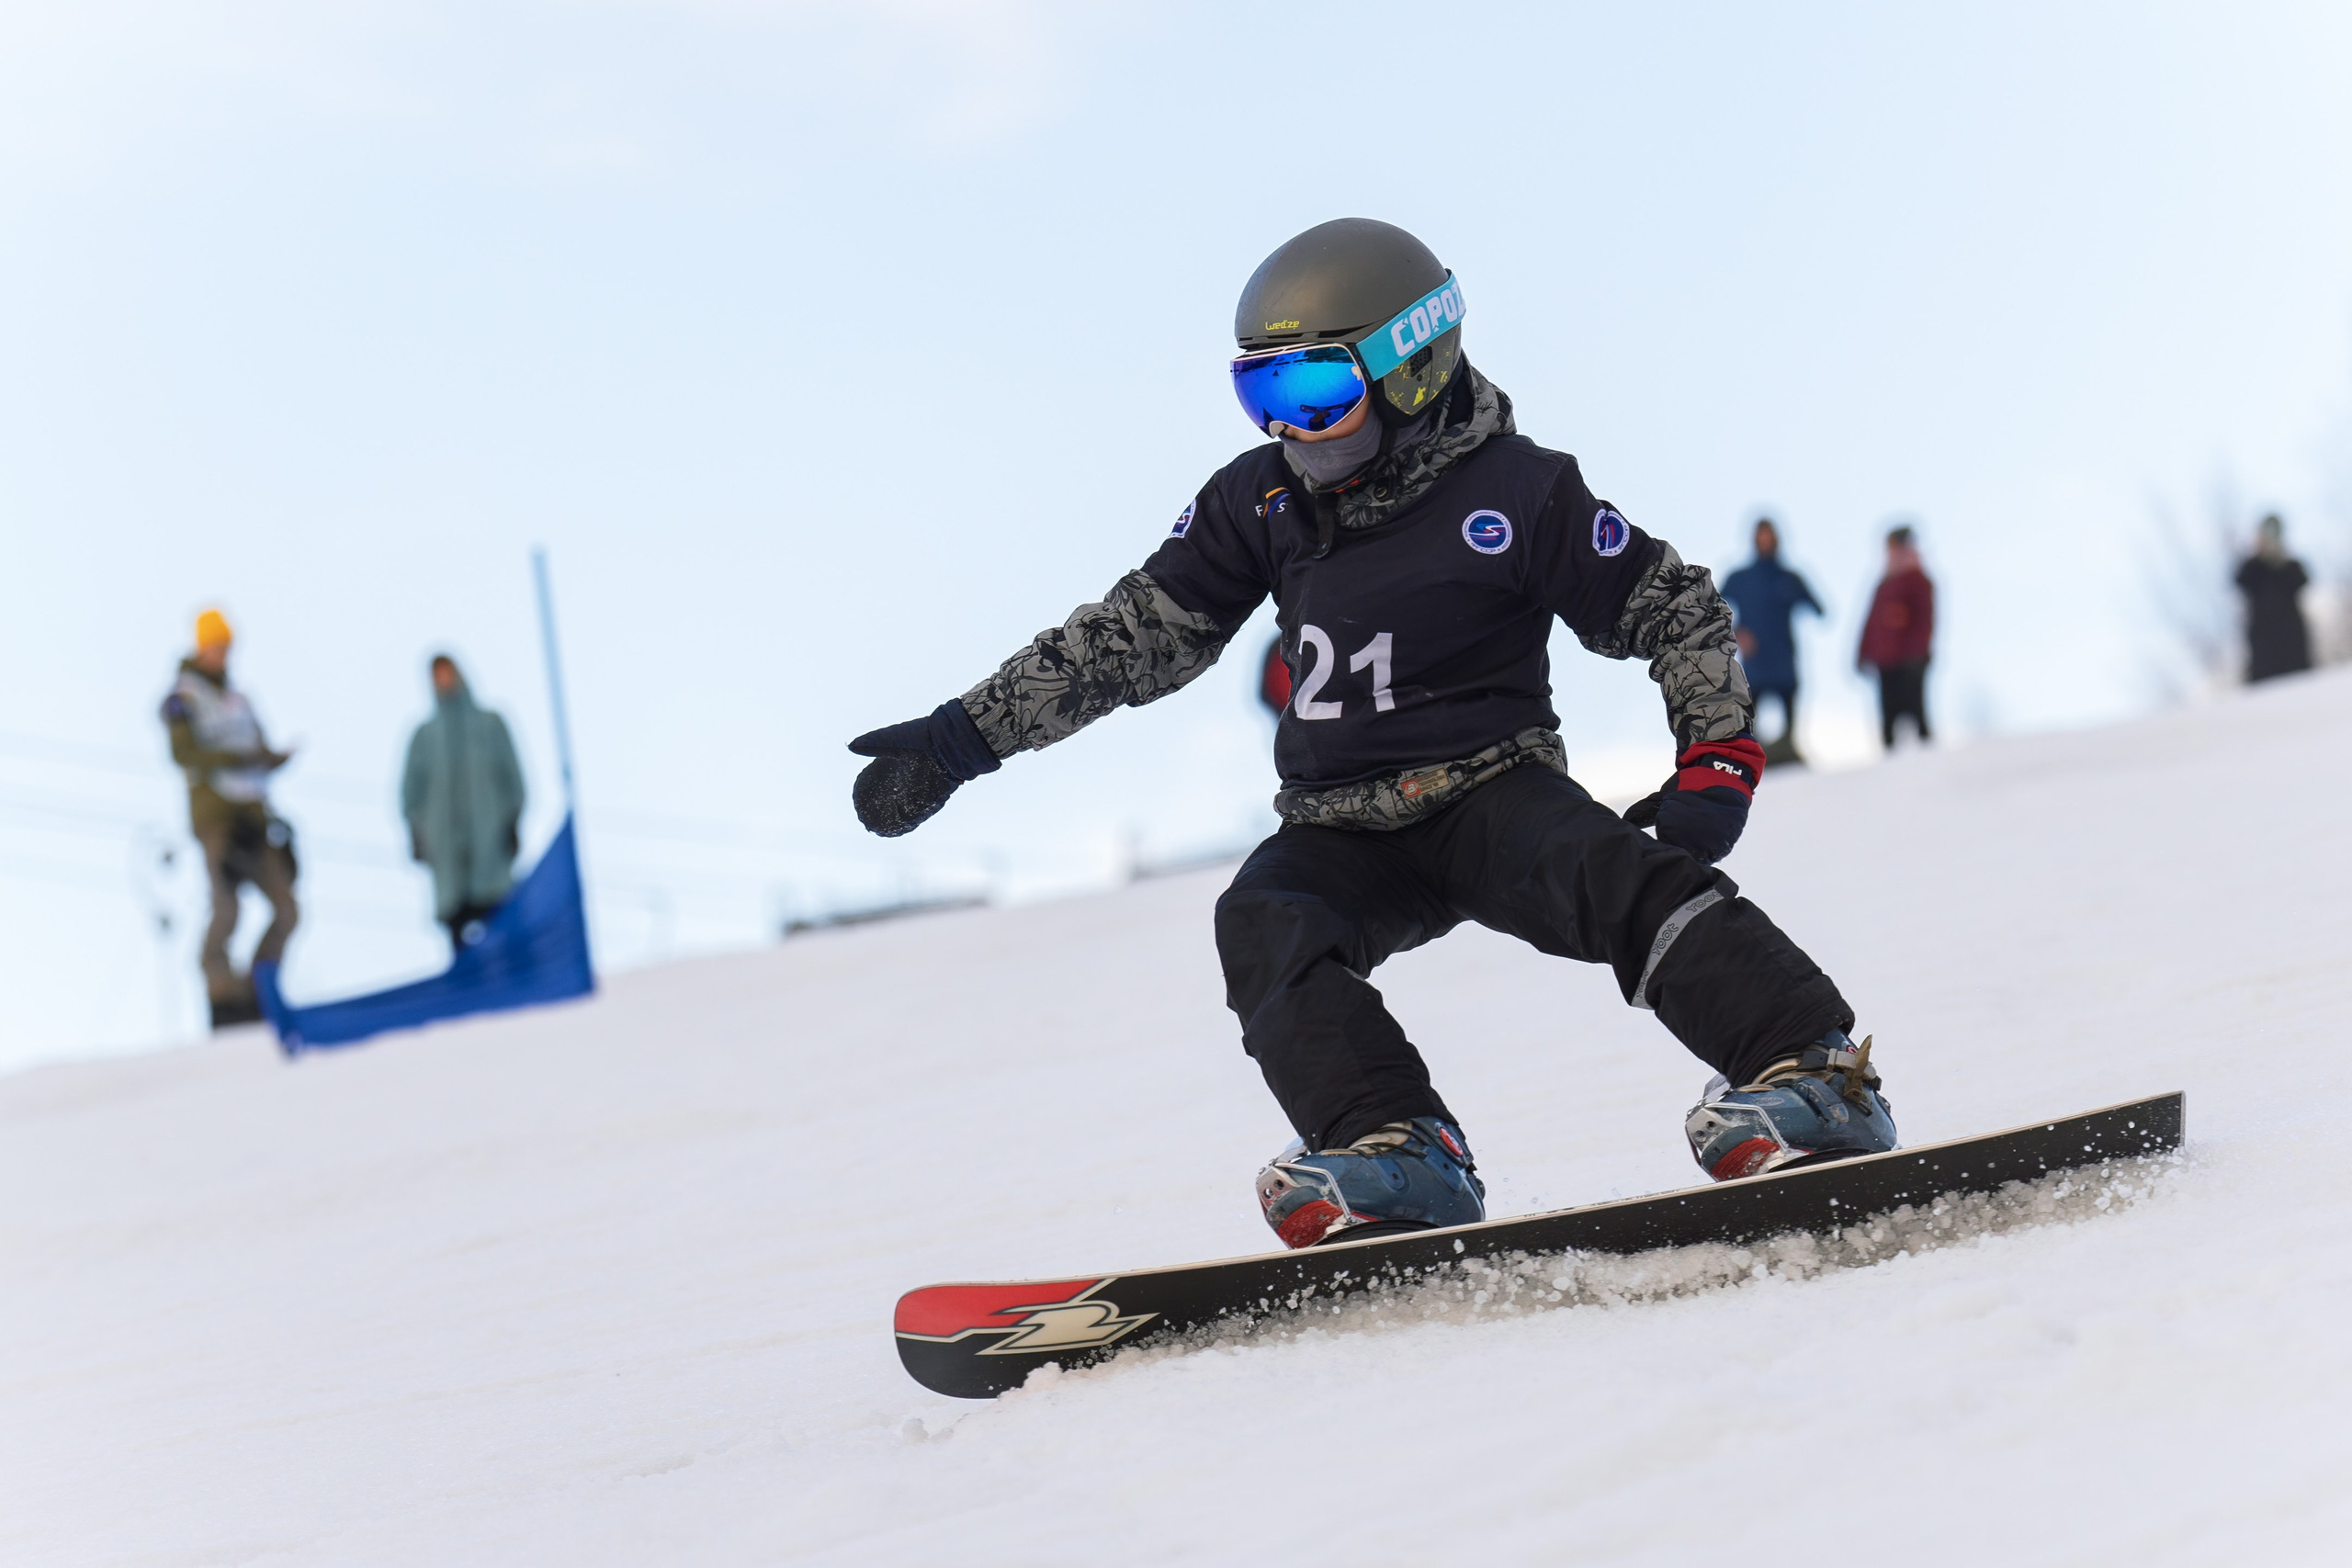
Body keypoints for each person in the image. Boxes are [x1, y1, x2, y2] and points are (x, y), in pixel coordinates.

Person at [844, 219, 1893, 1248]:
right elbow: (1129, 639)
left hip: (1489, 792)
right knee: (1263, 920)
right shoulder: (1258, 502)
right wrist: (959, 740)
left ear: (1413, 369)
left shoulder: (1520, 493)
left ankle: (1809, 1067)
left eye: (1316, 393)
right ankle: (1396, 1149)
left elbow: (1676, 609)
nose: (1291, 431)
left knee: (1613, 877)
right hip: (1341, 826)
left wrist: (1714, 760)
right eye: (1263, 396)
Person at [160, 608, 298, 1029]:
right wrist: (236, 758)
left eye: (226, 646)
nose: (222, 653)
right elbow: (183, 753)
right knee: (226, 907)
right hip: (216, 819)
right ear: (201, 646)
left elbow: (258, 744)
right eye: (215, 645)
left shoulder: (239, 700)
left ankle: (260, 986)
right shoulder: (182, 696)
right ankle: (222, 992)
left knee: (287, 907)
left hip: (255, 818)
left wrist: (273, 758)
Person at [401, 655, 527, 952]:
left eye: (448, 674)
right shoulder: (424, 737)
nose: (444, 681)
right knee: (460, 940)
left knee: (504, 930)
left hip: (489, 850)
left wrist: (512, 821)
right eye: (437, 676)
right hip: (447, 857)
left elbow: (513, 779)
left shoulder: (490, 724)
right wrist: (416, 833)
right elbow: (410, 793)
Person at [1717, 515, 1823, 766]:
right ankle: (1755, 758)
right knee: (1752, 713)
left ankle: (1789, 750)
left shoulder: (1789, 577)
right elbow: (1713, 609)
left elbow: (1819, 609)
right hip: (1755, 663)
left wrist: (1795, 595)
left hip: (1785, 658)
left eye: (1769, 536)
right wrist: (1737, 633)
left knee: (1789, 711)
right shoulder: (1741, 578)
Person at [1859, 525, 1936, 750]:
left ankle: (1930, 763)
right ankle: (1889, 770)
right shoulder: (1884, 583)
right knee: (1888, 719)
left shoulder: (1919, 580)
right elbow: (1871, 621)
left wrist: (1919, 652)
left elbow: (1925, 619)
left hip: (1911, 658)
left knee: (1917, 714)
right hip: (1885, 660)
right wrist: (1863, 653)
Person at [2235, 514, 2312, 683]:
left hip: (2292, 643)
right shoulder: (2254, 567)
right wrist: (2260, 557)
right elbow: (2239, 580)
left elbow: (2302, 581)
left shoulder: (2289, 566)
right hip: (2264, 647)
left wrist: (2279, 560)